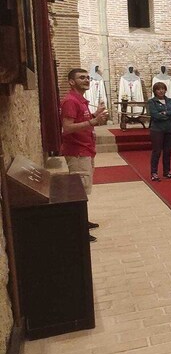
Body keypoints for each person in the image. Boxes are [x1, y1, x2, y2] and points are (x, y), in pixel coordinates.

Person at [61, 68, 109, 242]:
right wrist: (93, 121)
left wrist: (96, 115)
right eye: (81, 78)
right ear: (71, 82)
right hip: (78, 151)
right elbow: (67, 128)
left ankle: (83, 220)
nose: (86, 80)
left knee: (83, 189)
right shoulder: (70, 101)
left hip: (86, 149)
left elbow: (82, 121)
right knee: (79, 190)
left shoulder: (81, 101)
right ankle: (79, 228)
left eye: (88, 77)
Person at [147, 81, 171, 181]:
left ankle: (167, 171)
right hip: (157, 130)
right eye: (158, 89)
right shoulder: (152, 102)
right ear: (155, 91)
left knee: (167, 151)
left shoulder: (169, 100)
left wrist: (165, 113)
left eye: (162, 89)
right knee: (157, 151)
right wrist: (168, 115)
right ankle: (154, 172)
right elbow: (155, 115)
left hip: (170, 129)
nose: (161, 91)